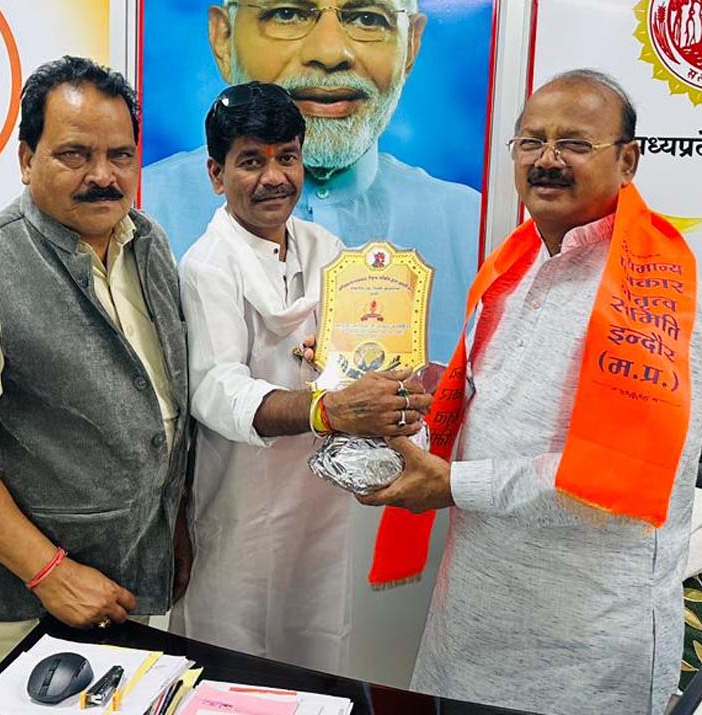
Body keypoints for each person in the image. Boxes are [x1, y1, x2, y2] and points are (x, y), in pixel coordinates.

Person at [357, 69, 702, 714]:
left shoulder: (667, 294)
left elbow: (624, 479)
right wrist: (411, 385)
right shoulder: (515, 264)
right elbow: (496, 396)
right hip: (471, 611)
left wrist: (453, 484)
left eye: (574, 144)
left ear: (628, 161)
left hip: (585, 641)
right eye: (531, 142)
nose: (547, 160)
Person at [0, 55, 191, 699]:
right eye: (74, 154)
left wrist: (175, 527)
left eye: (120, 155)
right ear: (27, 160)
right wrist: (51, 572)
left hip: (128, 580)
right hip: (21, 597)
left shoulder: (149, 245)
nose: (103, 176)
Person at [173, 81, 431, 672]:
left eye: (286, 157)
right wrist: (325, 408)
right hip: (237, 505)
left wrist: (378, 378)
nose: (274, 178)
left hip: (321, 504)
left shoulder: (328, 250)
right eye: (250, 162)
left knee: (316, 649)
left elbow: (358, 355)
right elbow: (216, 389)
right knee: (233, 667)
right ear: (216, 174)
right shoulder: (206, 266)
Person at [142, 0, 480, 364]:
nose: (330, 53)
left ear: (410, 46)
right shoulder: (142, 211)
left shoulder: (474, 230)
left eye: (367, 18)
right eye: (288, 14)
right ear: (223, 38)